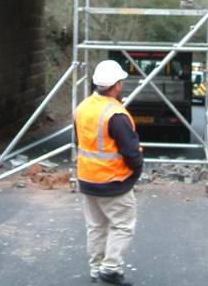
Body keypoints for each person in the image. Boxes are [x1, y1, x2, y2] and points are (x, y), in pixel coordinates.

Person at [74, 60, 144, 285]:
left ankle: (96, 270)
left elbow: (81, 142)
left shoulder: (82, 108)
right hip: (112, 180)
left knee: (96, 226)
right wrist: (136, 171)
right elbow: (131, 152)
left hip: (87, 178)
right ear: (116, 86)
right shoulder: (116, 114)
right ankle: (110, 269)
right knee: (122, 225)